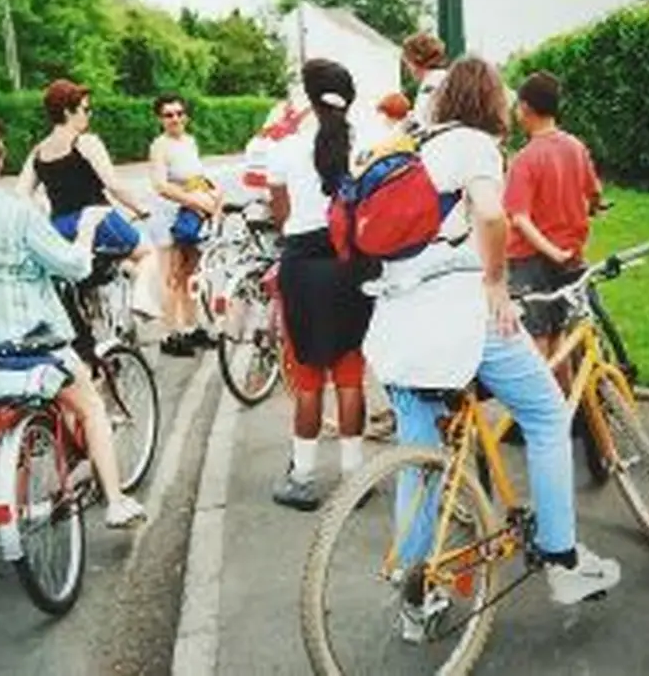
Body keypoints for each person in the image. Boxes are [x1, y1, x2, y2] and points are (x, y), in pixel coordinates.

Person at [361, 56, 622, 630]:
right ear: (491, 102)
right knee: (546, 413)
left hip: (397, 321)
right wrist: (497, 283)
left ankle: (416, 600)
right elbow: (491, 214)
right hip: (458, 317)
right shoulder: (474, 144)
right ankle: (562, 559)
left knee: (419, 463)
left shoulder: (412, 144)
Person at [0, 110, 147, 589]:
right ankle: (116, 500)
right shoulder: (15, 212)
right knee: (89, 403)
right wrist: (87, 227)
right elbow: (72, 265)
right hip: (23, 346)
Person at [266, 59, 377, 511]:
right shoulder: (365, 144)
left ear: (309, 99)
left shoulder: (287, 148)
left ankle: (304, 478)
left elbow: (280, 214)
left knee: (308, 377)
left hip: (302, 266)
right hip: (351, 264)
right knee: (351, 375)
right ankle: (355, 477)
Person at [15, 78, 161, 329]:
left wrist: (41, 213)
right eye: (85, 109)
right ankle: (141, 300)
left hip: (61, 228)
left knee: (88, 272)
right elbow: (113, 185)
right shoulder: (85, 142)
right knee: (147, 254)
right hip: (97, 219)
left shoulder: (38, 151)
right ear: (67, 112)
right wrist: (141, 209)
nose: (89, 115)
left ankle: (92, 330)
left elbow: (21, 193)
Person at [504, 70, 603, 389]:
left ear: (525, 108)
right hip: (570, 254)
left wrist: (551, 251)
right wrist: (591, 208)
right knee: (559, 334)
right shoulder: (575, 147)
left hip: (531, 259)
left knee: (537, 339)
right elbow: (594, 192)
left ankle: (539, 411)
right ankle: (564, 406)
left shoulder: (525, 159)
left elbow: (519, 218)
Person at [147, 93, 224, 357]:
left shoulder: (189, 142)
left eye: (179, 113)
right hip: (169, 216)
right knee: (172, 276)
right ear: (160, 119)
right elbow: (160, 185)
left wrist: (213, 196)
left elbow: (195, 177)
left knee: (191, 274)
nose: (175, 119)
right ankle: (170, 335)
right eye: (168, 115)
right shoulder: (160, 146)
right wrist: (196, 202)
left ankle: (191, 328)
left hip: (191, 215)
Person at [402, 31, 450, 130]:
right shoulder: (443, 77)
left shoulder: (431, 83)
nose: (408, 69)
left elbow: (424, 120)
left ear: (416, 60)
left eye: (408, 63)